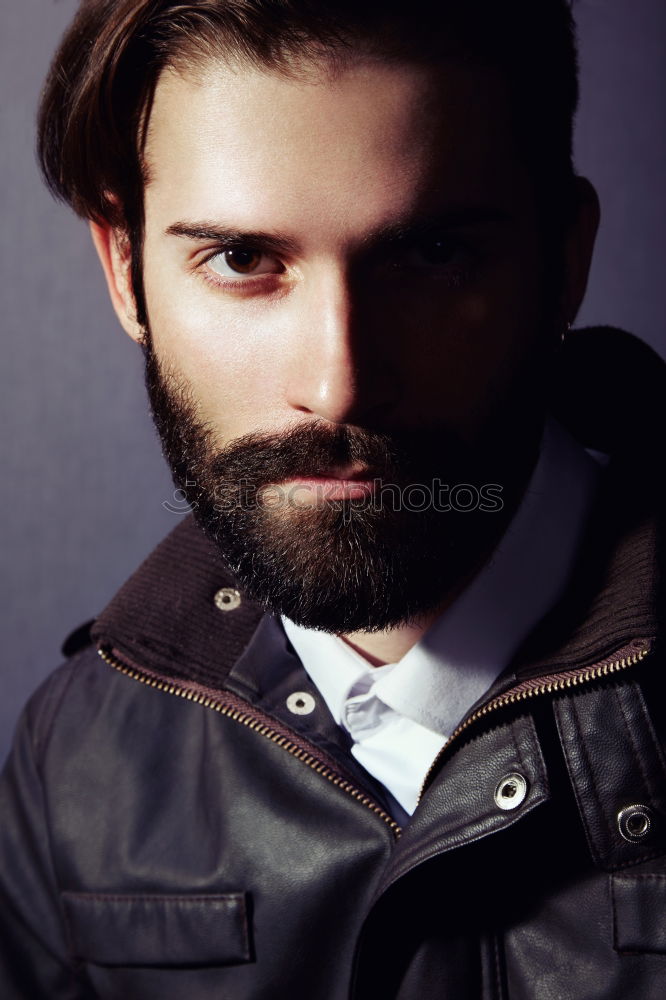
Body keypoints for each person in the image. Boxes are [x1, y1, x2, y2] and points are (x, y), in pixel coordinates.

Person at [1, 0, 665, 996]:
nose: (339, 380)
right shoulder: (75, 771)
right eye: (241, 260)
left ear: (561, 262)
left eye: (434, 256)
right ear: (125, 272)